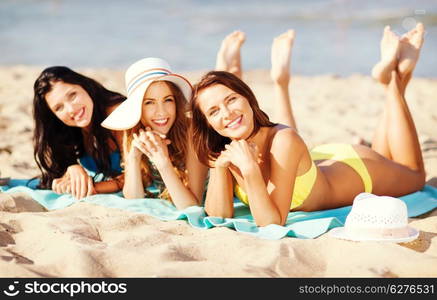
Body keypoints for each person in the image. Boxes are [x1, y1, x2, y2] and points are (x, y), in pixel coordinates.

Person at [190, 25, 426, 227]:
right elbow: (218, 216)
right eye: (213, 111)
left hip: (358, 171)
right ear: (209, 124)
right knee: (386, 156)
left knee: (415, 176)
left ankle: (392, 82)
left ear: (248, 98)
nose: (227, 113)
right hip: (326, 159)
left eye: (231, 99)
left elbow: (272, 222)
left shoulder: (283, 139)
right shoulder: (229, 150)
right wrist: (219, 168)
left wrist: (250, 170)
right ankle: (395, 74)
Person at [101, 57, 208, 210]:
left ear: (176, 102)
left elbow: (191, 205)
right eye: (149, 102)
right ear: (138, 108)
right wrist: (134, 157)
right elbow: (134, 198)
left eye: (168, 100)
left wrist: (162, 162)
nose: (161, 111)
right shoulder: (133, 132)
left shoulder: (193, 132)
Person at [33, 67, 126, 199]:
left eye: (72, 95)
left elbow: (140, 176)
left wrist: (91, 187)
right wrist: (72, 168)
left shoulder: (117, 114)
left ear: (84, 86)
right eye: (59, 108)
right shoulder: (68, 127)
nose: (71, 109)